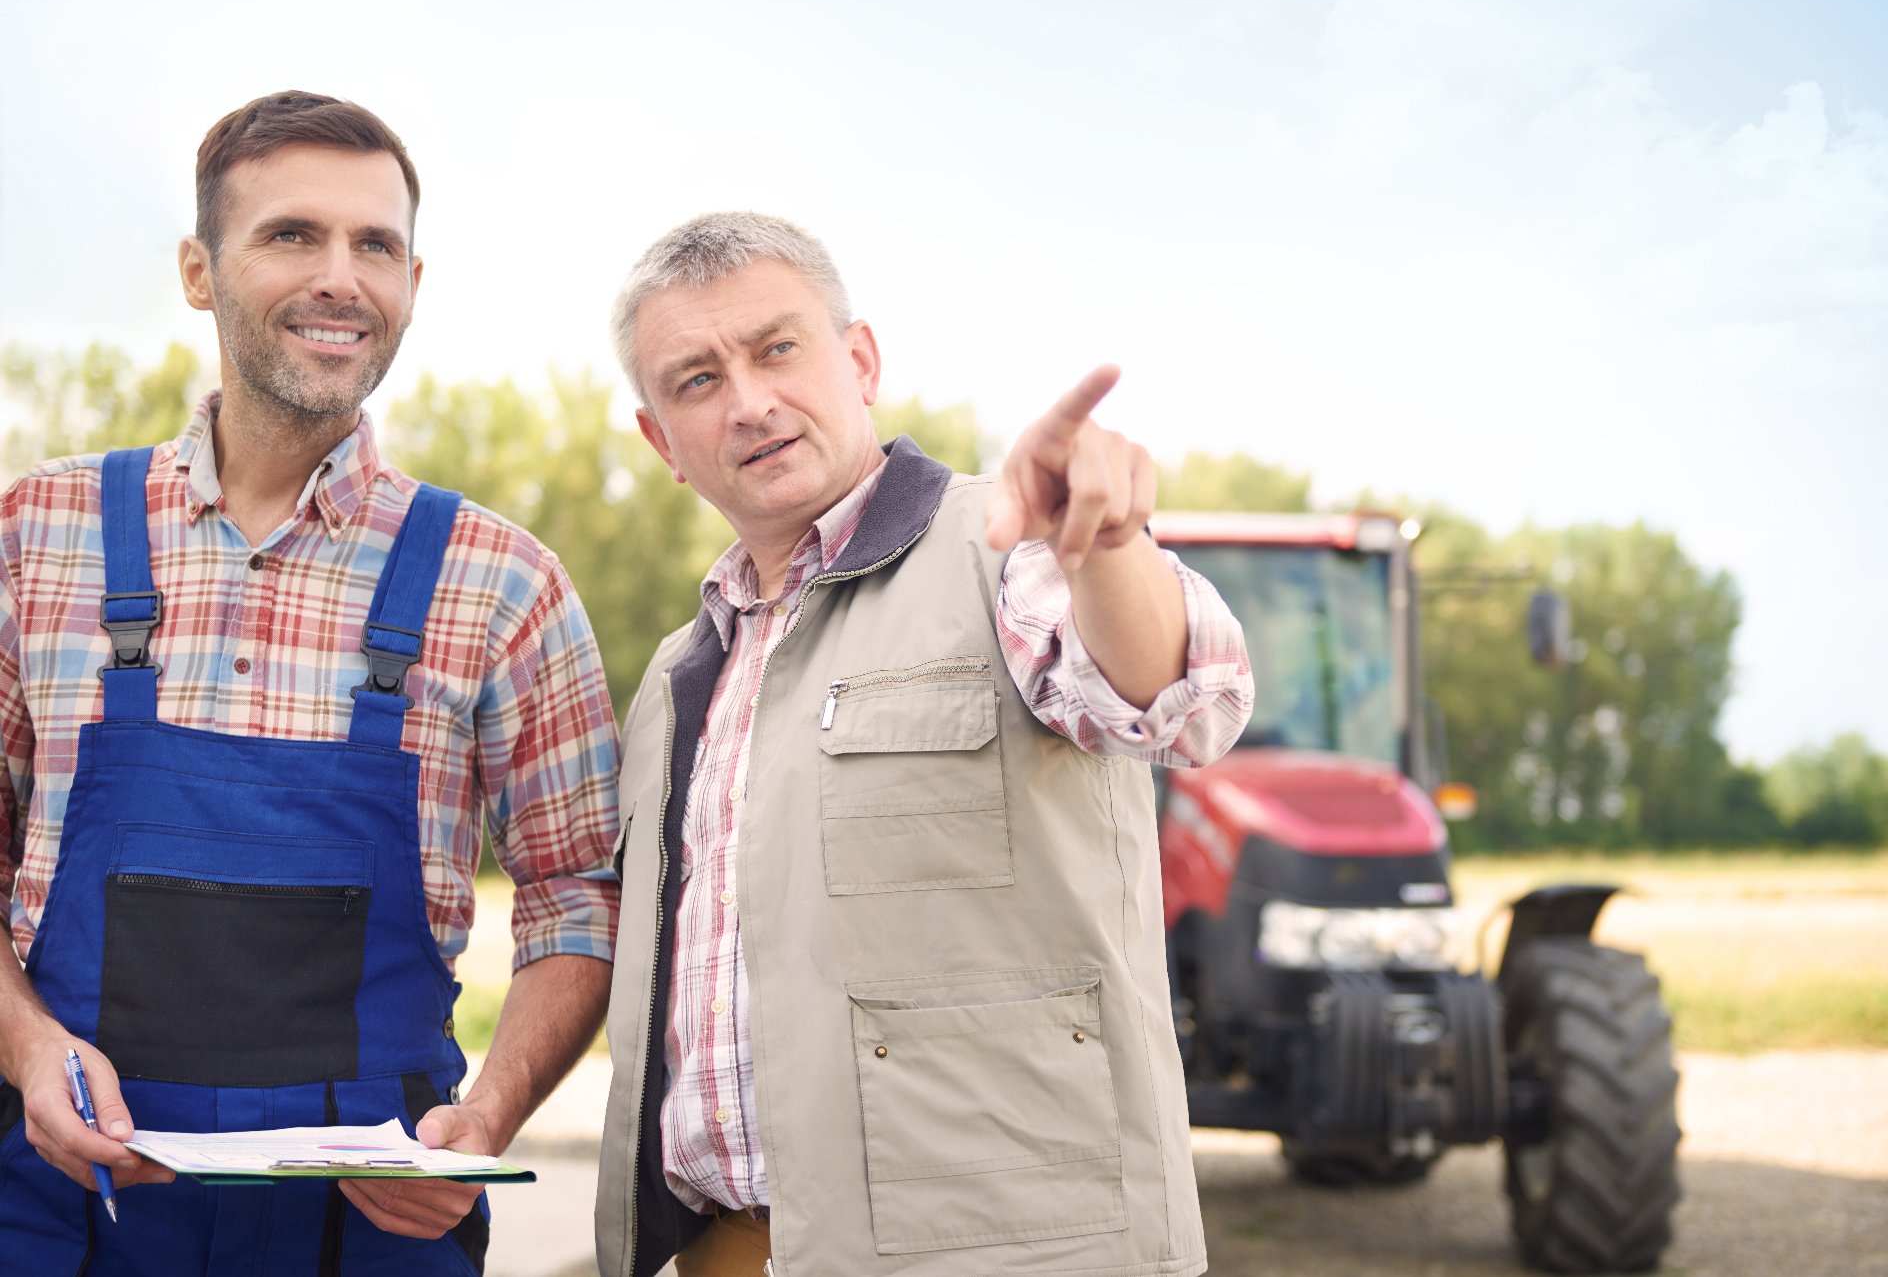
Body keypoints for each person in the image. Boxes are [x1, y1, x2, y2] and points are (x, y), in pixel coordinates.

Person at [0, 92, 623, 1275]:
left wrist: (487, 1119)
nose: (342, 276)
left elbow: (576, 900)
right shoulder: (39, 533)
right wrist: (30, 1050)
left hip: (368, 1228)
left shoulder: (503, 584)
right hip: (61, 1207)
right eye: (292, 235)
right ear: (199, 270)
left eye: (374, 245)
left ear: (412, 282)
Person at [592, 212, 1254, 1277]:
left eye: (777, 349)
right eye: (698, 379)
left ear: (859, 362)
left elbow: (1181, 698)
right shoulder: (679, 678)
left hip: (995, 1254)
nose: (751, 400)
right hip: (731, 1253)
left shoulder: (1007, 554)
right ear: (663, 442)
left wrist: (1108, 545)